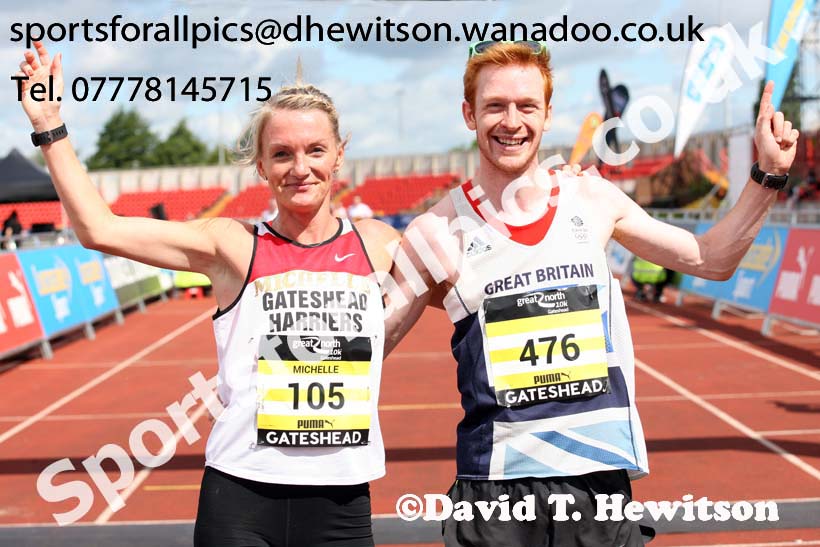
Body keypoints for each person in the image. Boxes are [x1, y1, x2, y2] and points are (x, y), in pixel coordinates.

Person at [384, 41, 798, 546]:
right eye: (494, 106)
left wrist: (768, 174)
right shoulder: (435, 231)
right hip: (494, 494)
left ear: (548, 114)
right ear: (469, 113)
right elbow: (366, 348)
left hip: (597, 488)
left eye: (526, 106)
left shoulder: (592, 198)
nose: (511, 121)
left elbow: (711, 258)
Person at [16, 41, 399, 547]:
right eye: (281, 154)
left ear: (339, 155)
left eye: (315, 150)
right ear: (260, 165)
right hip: (240, 501)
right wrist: (49, 125)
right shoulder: (232, 246)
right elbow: (98, 228)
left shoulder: (380, 245)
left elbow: (479, 283)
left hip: (340, 505)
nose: (299, 168)